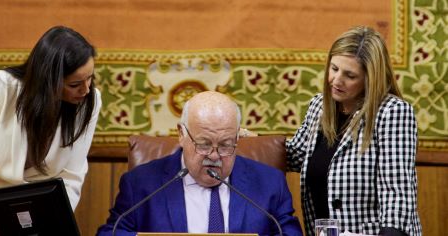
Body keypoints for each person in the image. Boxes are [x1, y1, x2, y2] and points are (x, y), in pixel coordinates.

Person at [0, 26, 101, 235]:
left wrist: (50, 225)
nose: (85, 90)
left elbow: (72, 176)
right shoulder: (0, 87)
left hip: (44, 218)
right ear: (49, 79)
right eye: (75, 84)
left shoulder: (89, 102)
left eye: (90, 78)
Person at [96, 90, 302, 236]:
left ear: (237, 139)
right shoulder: (141, 184)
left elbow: (289, 233)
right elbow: (110, 232)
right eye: (203, 144)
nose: (214, 155)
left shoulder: (269, 183)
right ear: (181, 134)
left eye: (225, 145)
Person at [286, 26, 422, 236]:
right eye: (334, 68)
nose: (336, 80)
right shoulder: (319, 106)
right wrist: (241, 140)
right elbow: (295, 156)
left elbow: (397, 194)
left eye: (350, 75)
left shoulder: (392, 112)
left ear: (370, 79)